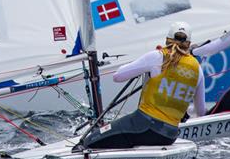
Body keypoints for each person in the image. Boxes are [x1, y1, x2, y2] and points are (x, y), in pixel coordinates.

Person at [80, 21, 205, 150]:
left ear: (167, 39)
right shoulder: (198, 69)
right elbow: (201, 111)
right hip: (169, 136)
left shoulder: (157, 57)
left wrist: (144, 65)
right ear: (189, 44)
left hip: (143, 126)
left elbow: (117, 76)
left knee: (90, 141)